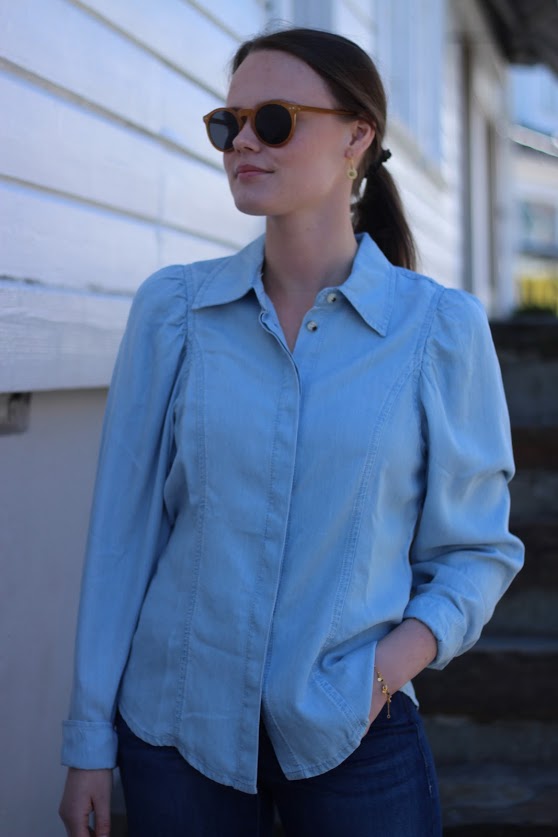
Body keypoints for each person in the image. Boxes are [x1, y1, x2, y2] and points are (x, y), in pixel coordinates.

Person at [59, 26, 524, 837]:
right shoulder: (174, 311)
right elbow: (121, 539)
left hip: (357, 733)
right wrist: (89, 742)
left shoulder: (436, 330)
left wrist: (383, 671)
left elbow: (476, 549)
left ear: (357, 137)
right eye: (228, 122)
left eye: (274, 120)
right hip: (176, 732)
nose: (243, 141)